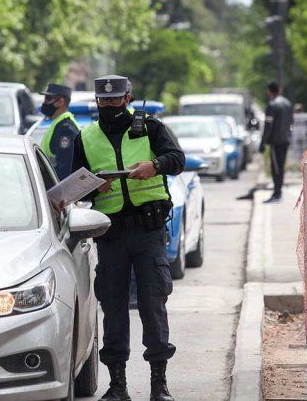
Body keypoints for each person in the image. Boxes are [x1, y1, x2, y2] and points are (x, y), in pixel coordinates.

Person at [71, 75, 184, 401]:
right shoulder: (86, 137)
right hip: (111, 235)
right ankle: (117, 386)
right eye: (103, 101)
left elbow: (178, 159)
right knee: (114, 308)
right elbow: (74, 183)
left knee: (152, 305)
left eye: (115, 99)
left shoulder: (151, 128)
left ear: (128, 98)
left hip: (148, 233)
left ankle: (158, 385)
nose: (109, 105)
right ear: (96, 101)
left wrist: (154, 165)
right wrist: (93, 185)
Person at [258, 81, 293, 203]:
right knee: (281, 166)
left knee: (276, 167)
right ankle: (278, 191)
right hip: (286, 139)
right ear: (279, 89)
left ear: (269, 91)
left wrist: (263, 143)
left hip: (276, 141)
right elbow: (290, 122)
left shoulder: (272, 105)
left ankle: (277, 193)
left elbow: (268, 126)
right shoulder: (287, 104)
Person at [39, 83, 80, 179]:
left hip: (57, 188)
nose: (44, 103)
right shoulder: (58, 125)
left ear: (60, 102)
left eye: (48, 99)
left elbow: (65, 169)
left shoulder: (66, 129)